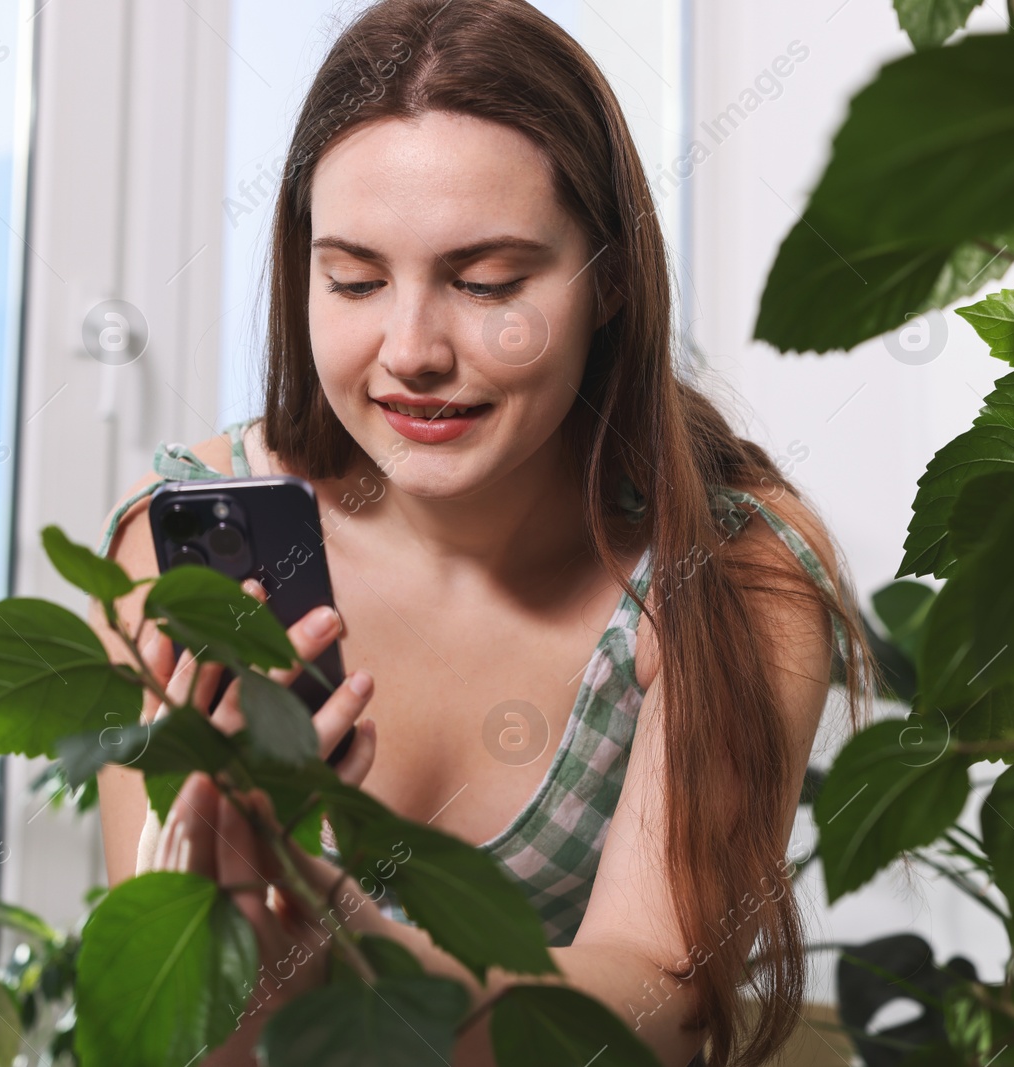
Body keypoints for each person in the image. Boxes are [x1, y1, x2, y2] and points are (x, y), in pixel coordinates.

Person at [89, 1, 868, 1064]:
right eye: (354, 278)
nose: (410, 348)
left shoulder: (728, 572)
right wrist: (215, 915)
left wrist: (345, 942)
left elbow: (660, 1007)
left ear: (611, 283)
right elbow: (184, 1040)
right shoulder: (184, 541)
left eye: (487, 283)